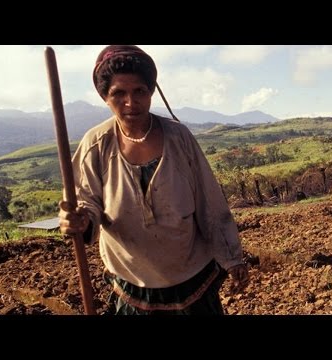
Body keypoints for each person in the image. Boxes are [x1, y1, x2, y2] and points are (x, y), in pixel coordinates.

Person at [58, 45, 249, 315]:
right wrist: (80, 219)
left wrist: (232, 258)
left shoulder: (179, 138)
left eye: (140, 91)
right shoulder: (96, 145)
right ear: (104, 97)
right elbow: (86, 201)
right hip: (134, 283)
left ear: (150, 92)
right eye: (118, 93)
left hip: (191, 276)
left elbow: (211, 204)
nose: (130, 102)